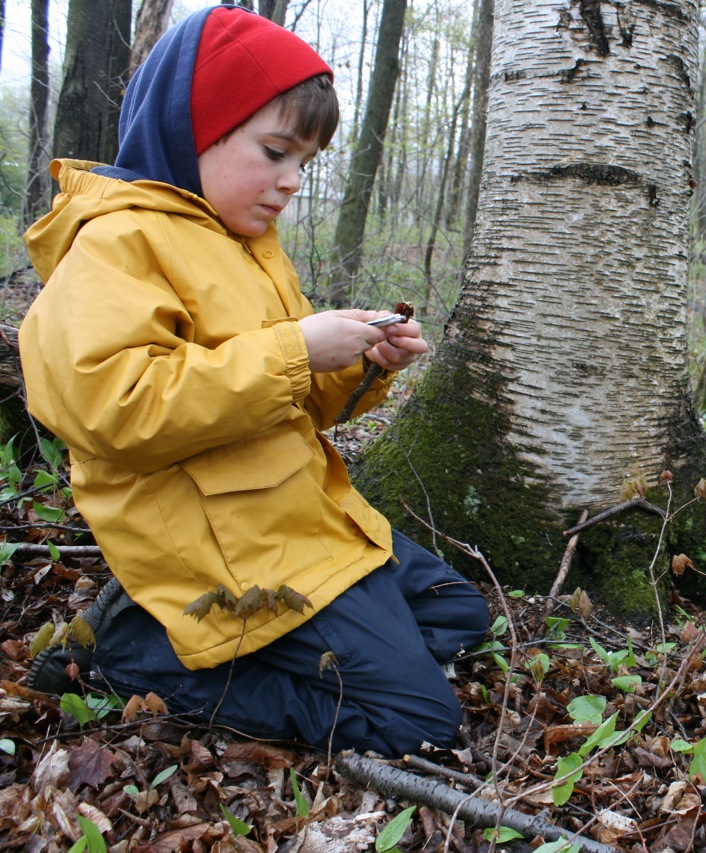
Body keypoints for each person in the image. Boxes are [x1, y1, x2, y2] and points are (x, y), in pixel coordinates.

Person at [19, 5, 490, 757]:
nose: (291, 181)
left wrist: (363, 365)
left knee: (458, 612)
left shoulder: (248, 245)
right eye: (275, 151)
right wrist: (298, 347)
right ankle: (126, 659)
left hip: (294, 515)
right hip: (227, 544)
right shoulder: (114, 242)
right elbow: (115, 408)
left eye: (304, 162)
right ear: (189, 129)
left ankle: (193, 632)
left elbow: (293, 405)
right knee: (421, 722)